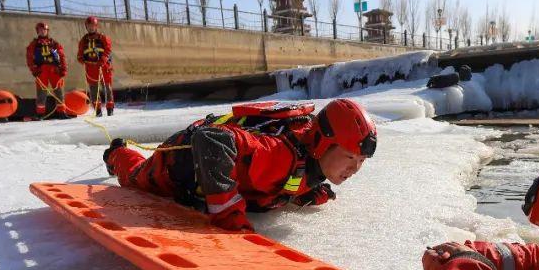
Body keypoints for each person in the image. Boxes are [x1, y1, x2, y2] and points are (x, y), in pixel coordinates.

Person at [102, 98, 377, 232]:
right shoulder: (278, 155)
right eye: (350, 157)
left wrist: (301, 193)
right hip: (182, 161)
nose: (355, 169)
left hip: (215, 161)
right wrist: (227, 216)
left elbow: (279, 181)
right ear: (323, 143)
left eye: (361, 161)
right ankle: (117, 153)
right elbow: (212, 140)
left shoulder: (312, 159)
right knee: (134, 177)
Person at [25, 21, 68, 118]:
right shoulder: (34, 44)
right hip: (41, 70)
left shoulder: (54, 43)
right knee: (41, 92)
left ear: (47, 31)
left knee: (59, 90)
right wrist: (34, 70)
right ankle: (40, 113)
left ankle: (61, 112)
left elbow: (61, 56)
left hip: (54, 69)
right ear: (37, 32)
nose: (42, 31)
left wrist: (63, 69)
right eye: (40, 30)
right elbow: (29, 58)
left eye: (44, 30)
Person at [77, 15, 115, 117]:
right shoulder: (83, 40)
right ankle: (98, 110)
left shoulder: (103, 37)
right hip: (90, 67)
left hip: (103, 66)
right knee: (94, 90)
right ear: (86, 27)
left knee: (107, 88)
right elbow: (80, 53)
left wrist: (103, 60)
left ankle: (110, 109)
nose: (91, 28)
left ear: (96, 26)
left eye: (92, 26)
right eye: (89, 26)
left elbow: (108, 49)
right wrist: (81, 59)